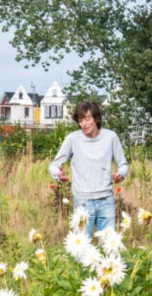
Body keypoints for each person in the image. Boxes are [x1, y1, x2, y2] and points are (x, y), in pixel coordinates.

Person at [49, 100, 129, 237]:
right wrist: (58, 174)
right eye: (80, 121)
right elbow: (53, 165)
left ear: (96, 118)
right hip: (83, 202)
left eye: (87, 119)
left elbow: (123, 165)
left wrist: (121, 174)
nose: (83, 124)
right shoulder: (72, 139)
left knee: (109, 249)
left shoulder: (111, 137)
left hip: (106, 201)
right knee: (81, 250)